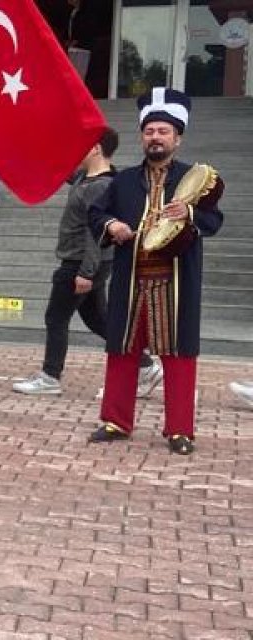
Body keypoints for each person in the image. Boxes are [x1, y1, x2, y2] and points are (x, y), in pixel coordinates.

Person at [86, 88, 223, 455]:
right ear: (142, 136)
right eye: (150, 132)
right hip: (132, 280)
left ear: (177, 137)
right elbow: (96, 213)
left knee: (178, 355)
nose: (156, 138)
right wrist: (112, 225)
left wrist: (190, 215)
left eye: (163, 131)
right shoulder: (124, 180)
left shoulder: (194, 177)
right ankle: (116, 421)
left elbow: (214, 218)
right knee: (123, 350)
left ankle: (180, 429)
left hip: (175, 280)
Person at [12, 130, 157, 396]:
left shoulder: (100, 186)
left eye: (81, 146)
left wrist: (86, 273)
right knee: (98, 320)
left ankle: (50, 377)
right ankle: (145, 364)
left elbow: (95, 232)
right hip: (89, 263)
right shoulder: (85, 178)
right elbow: (61, 169)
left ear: (96, 149)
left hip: (81, 263)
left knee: (56, 317)